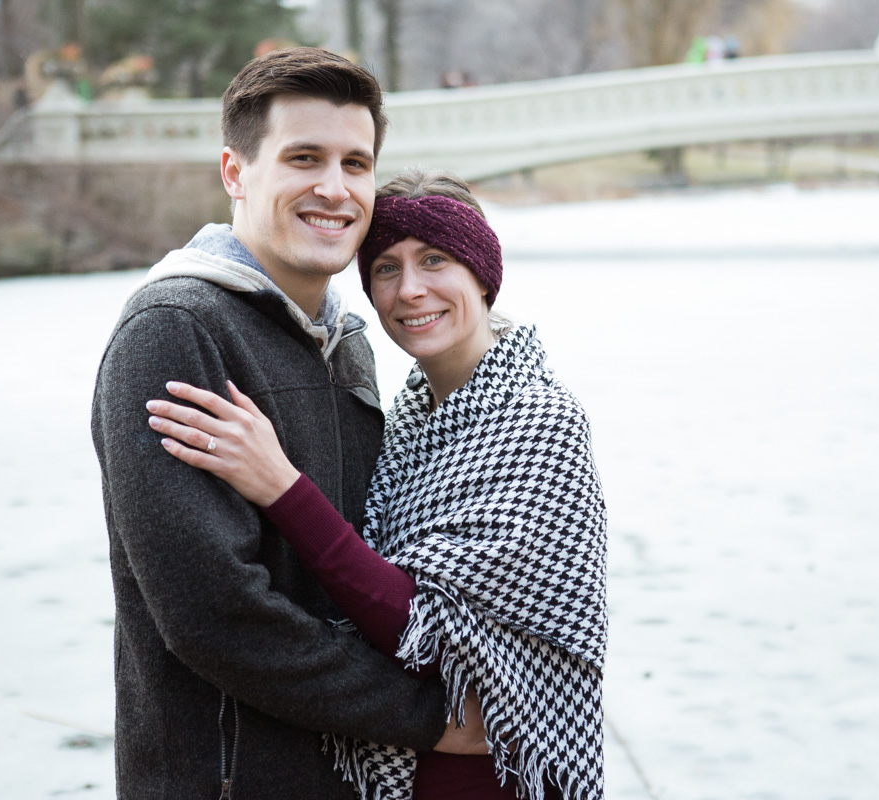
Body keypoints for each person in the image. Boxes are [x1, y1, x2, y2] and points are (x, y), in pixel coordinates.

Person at [91, 48, 483, 798]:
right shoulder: (176, 331)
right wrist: (430, 717)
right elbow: (216, 614)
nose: (334, 189)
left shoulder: (349, 342)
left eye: (356, 163)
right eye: (304, 158)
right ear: (236, 173)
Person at [145, 168, 608, 799]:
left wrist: (280, 484)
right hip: (410, 768)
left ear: (483, 271)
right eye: (385, 268)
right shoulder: (413, 417)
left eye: (434, 260)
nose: (410, 290)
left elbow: (419, 626)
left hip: (495, 774)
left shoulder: (540, 422)